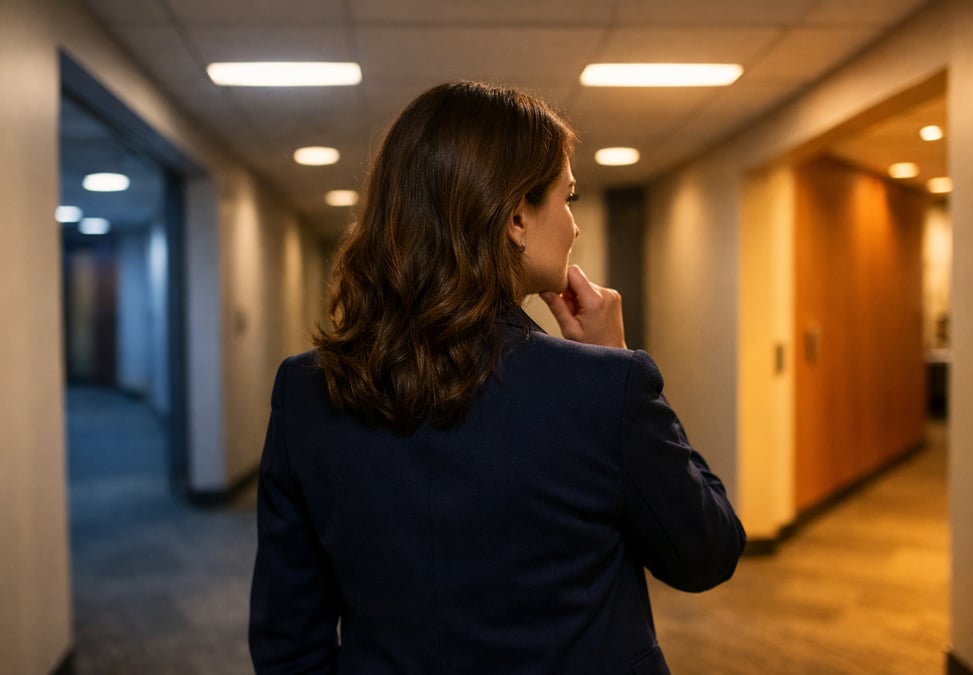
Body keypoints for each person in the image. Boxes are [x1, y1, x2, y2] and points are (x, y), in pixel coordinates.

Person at [249, 81, 746, 674]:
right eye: (568, 198)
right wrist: (615, 359)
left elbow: (289, 641)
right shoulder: (601, 390)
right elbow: (707, 553)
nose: (575, 225)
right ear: (515, 218)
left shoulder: (306, 391)